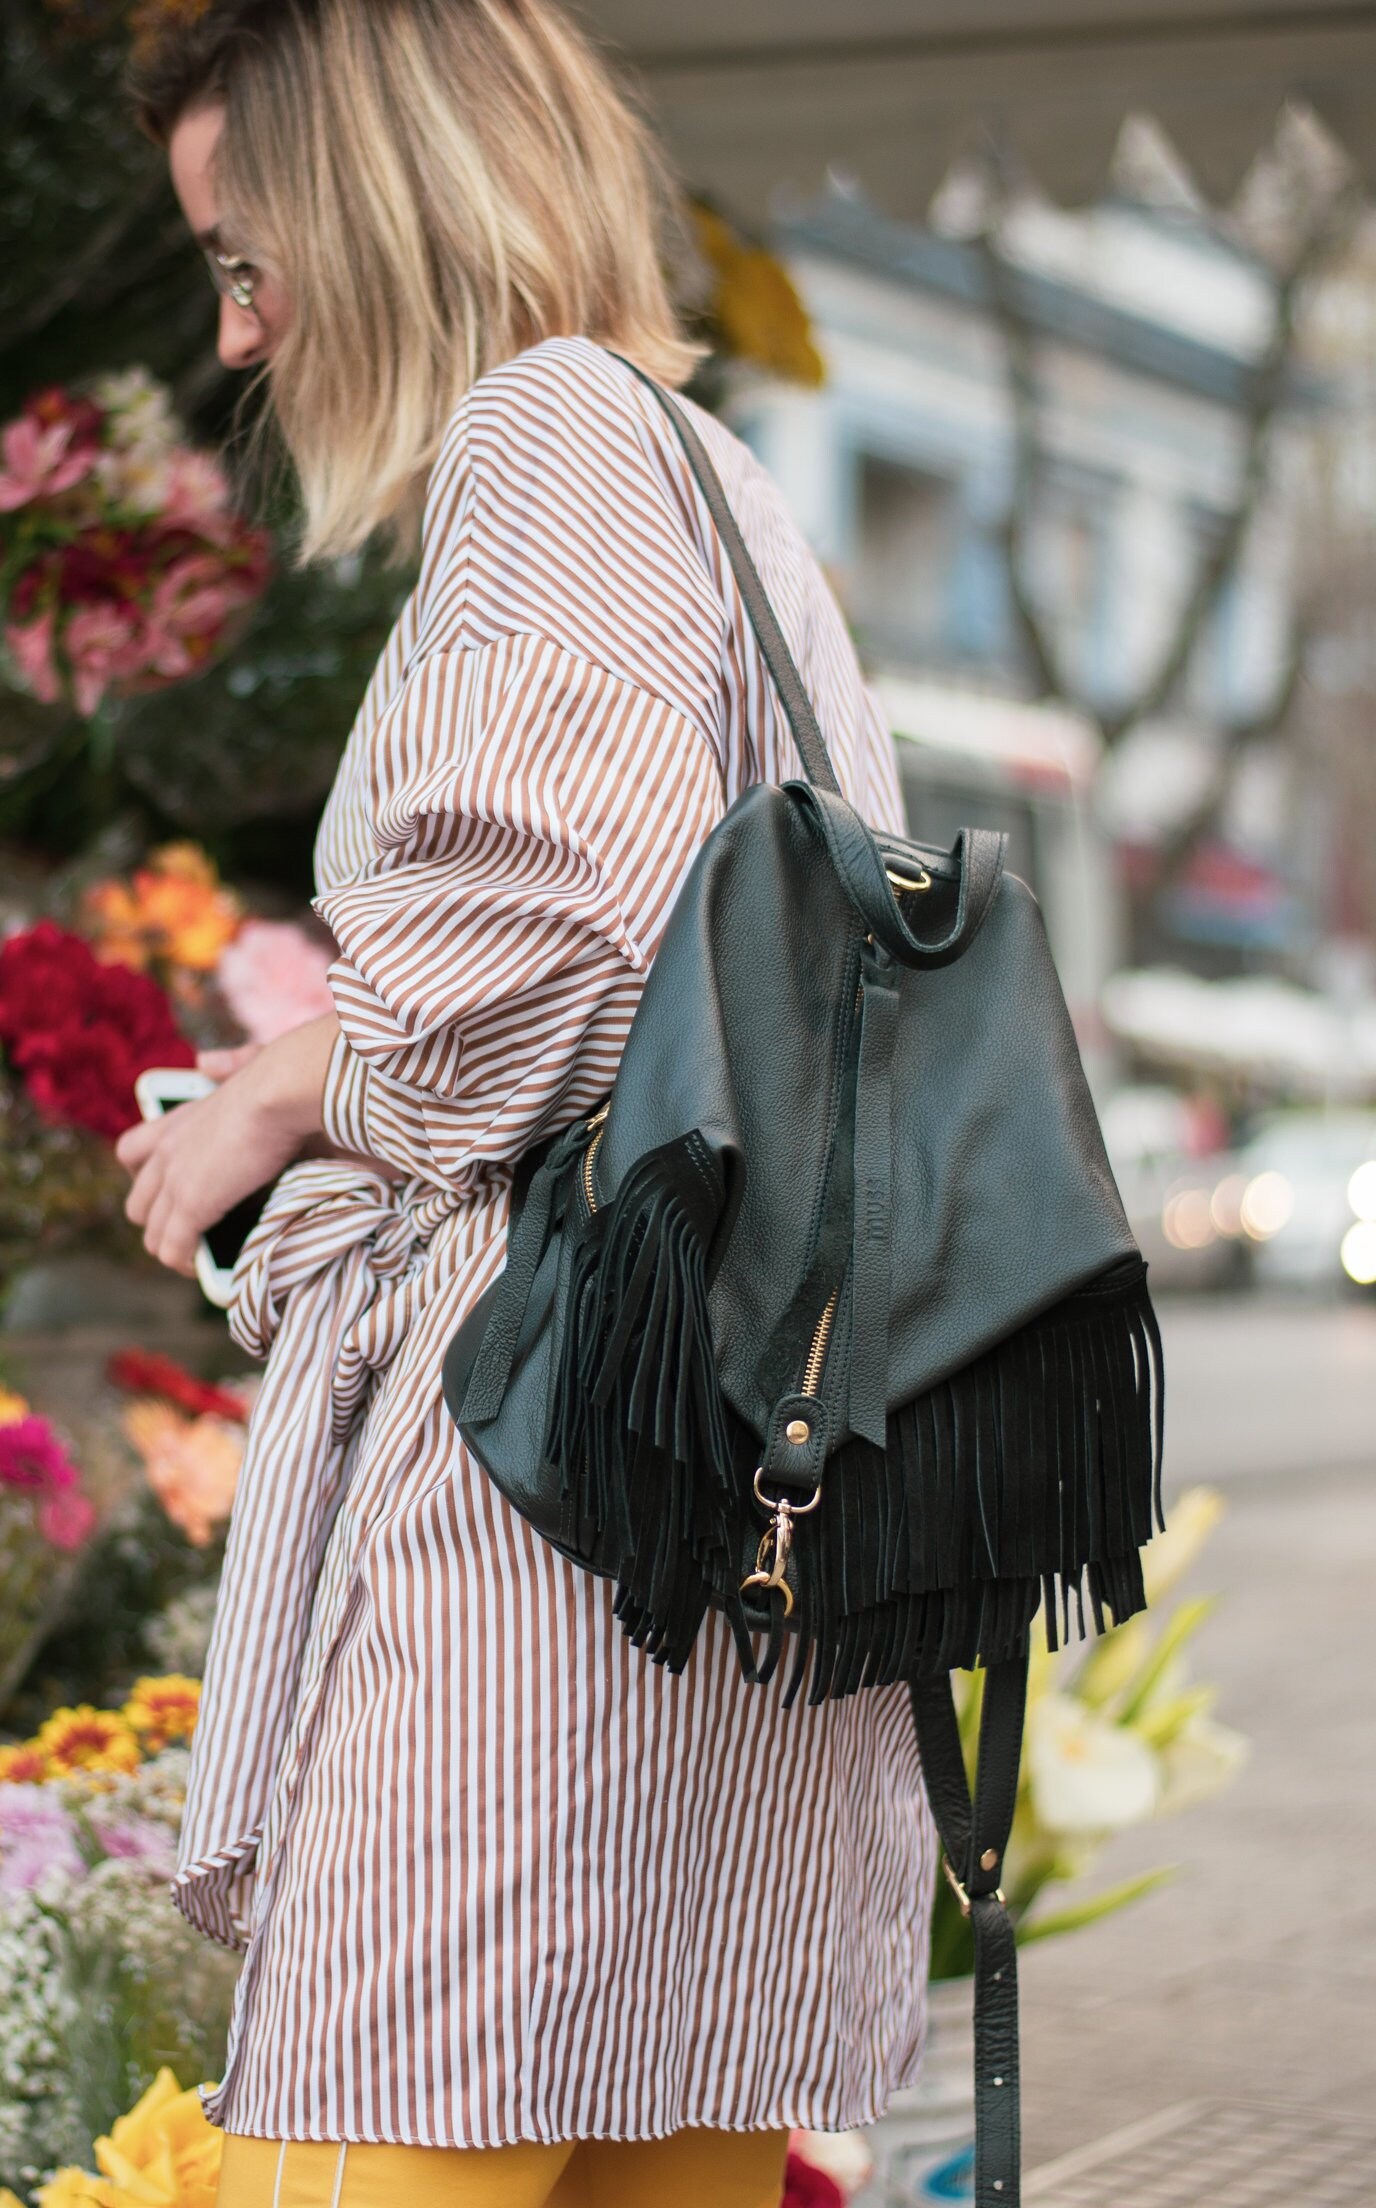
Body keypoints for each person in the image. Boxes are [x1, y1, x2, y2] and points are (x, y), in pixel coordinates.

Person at [116, 5, 927, 2204]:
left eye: (247, 255)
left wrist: (295, 1084)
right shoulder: (701, 469)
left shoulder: (546, 440)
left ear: (379, 216)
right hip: (717, 1527)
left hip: (543, 1530)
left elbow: (560, 973)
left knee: (400, 2131)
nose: (242, 332)